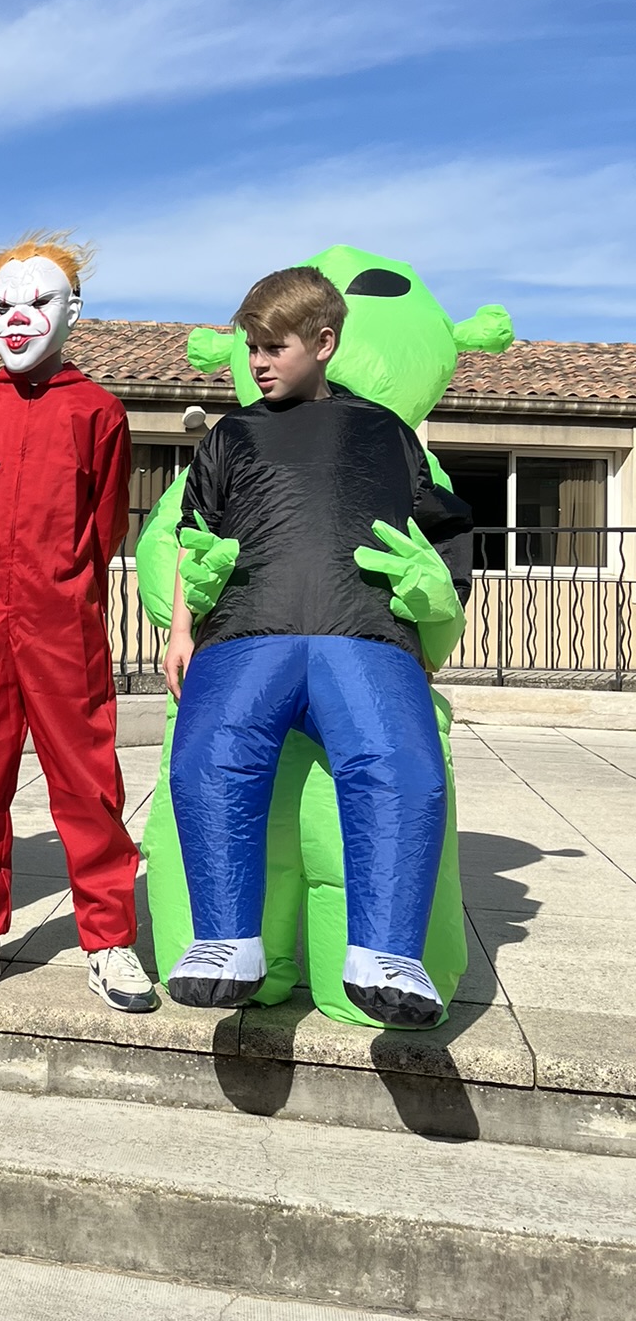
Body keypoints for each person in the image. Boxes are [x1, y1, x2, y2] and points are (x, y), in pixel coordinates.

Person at [163, 264, 465, 1027]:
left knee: (401, 765)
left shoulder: (385, 433)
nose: (257, 363)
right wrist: (181, 627)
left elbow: (442, 535)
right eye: (251, 348)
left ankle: (387, 954)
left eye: (274, 348)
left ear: (324, 343)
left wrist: (429, 619)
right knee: (207, 758)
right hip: (245, 629)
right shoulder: (232, 433)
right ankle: (226, 940)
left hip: (363, 631)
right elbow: (193, 537)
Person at [0, 234, 154, 1013]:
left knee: (88, 783)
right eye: (1, 305)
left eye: (37, 302)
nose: (17, 317)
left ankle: (108, 939)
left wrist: (61, 586)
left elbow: (105, 523)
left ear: (72, 312)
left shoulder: (98, 411)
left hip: (64, 623)